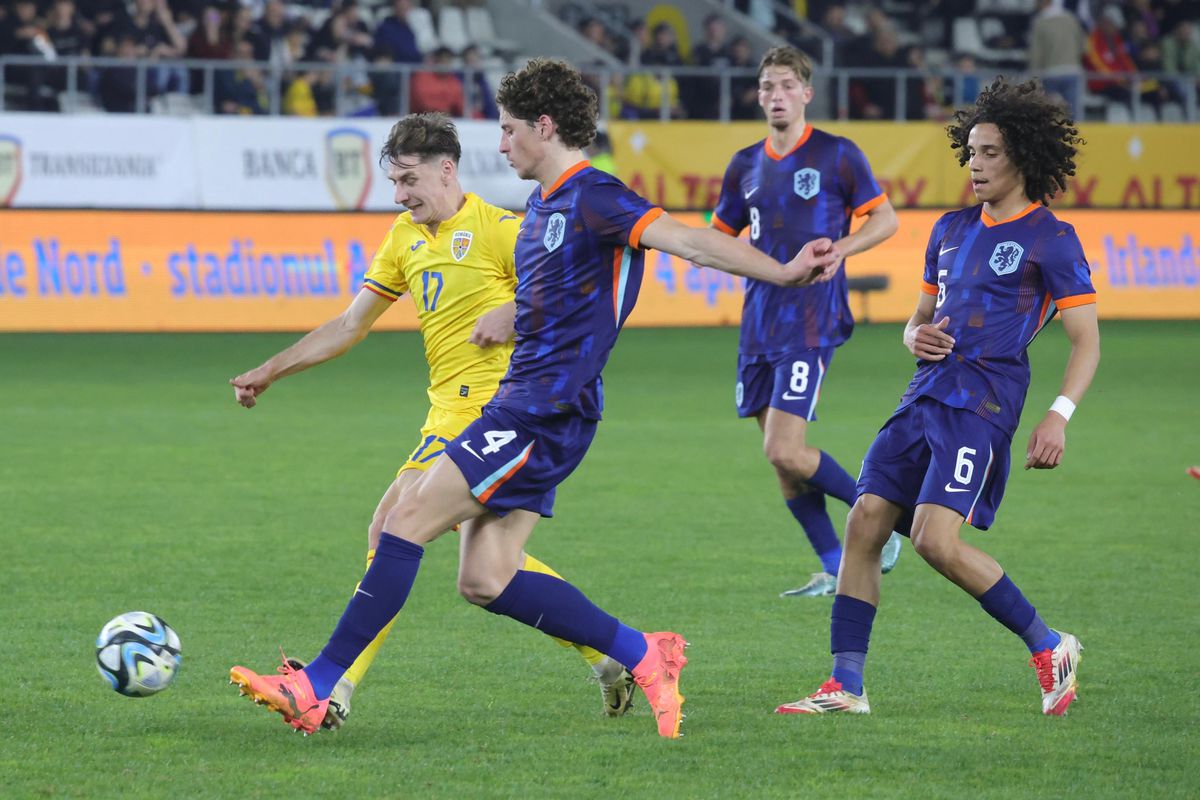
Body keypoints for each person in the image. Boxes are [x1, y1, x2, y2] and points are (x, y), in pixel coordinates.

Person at [229, 57, 840, 740]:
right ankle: (641, 653)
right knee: (485, 578)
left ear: (544, 127)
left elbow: (692, 242)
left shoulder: (596, 196)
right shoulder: (541, 208)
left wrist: (784, 272)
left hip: (541, 408)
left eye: (508, 129)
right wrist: (518, 316)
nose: (499, 143)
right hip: (530, 406)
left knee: (400, 524)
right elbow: (551, 295)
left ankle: (319, 685)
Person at [229, 112, 633, 728]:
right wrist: (271, 369)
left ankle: (331, 688)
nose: (400, 195)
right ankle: (612, 652)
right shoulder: (402, 237)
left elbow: (563, 301)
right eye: (394, 182)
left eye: (409, 179)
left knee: (394, 525)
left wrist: (512, 317)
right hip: (443, 413)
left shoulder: (504, 231)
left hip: (496, 415)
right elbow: (348, 326)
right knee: (489, 568)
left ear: (447, 169)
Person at [777, 77, 1099, 717]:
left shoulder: (1051, 239)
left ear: (1025, 158)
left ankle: (1048, 643)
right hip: (924, 394)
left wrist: (1058, 418)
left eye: (991, 154)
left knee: (933, 540)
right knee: (865, 518)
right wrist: (912, 335)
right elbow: (918, 318)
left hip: (982, 405)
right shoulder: (948, 229)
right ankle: (845, 685)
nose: (975, 164)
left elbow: (1086, 342)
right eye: (971, 152)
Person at [710, 46, 901, 598]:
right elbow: (720, 235)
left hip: (812, 317)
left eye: (787, 86)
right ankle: (834, 564)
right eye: (767, 86)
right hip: (759, 320)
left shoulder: (838, 154)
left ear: (806, 93)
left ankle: (882, 517)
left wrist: (842, 247)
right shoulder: (745, 164)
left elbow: (885, 219)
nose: (775, 96)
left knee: (784, 449)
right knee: (782, 462)